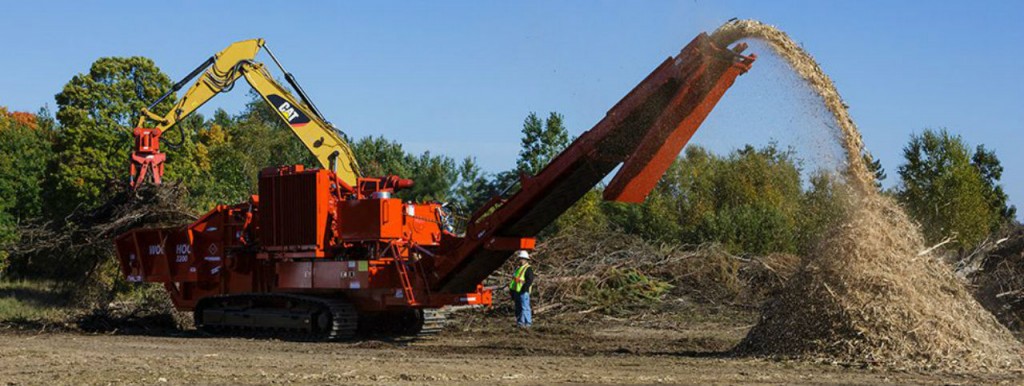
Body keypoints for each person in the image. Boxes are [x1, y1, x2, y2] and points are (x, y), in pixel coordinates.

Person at [508, 250, 534, 328]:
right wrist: (512, 291)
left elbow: (529, 280)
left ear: (525, 259)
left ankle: (527, 324)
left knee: (525, 308)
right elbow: (514, 281)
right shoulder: (518, 269)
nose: (520, 260)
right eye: (519, 258)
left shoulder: (528, 269)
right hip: (517, 291)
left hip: (523, 292)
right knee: (518, 308)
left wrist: (524, 289)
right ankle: (520, 323)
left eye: (521, 258)